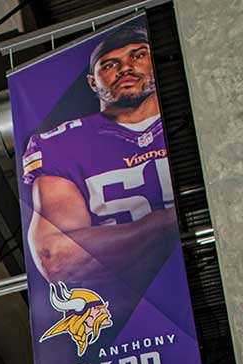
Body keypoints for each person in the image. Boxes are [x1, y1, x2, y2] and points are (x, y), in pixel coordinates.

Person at [24, 19, 179, 289]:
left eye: (139, 55)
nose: (126, 68)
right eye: (109, 64)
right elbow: (56, 257)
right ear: (92, 83)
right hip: (132, 312)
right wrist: (166, 224)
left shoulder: (197, 115)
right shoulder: (62, 144)